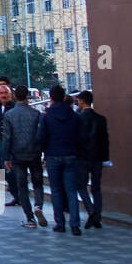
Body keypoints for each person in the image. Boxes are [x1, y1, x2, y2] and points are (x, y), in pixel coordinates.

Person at [37, 85, 86, 234]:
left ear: (50, 98)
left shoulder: (46, 116)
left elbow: (41, 137)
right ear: (64, 97)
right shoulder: (74, 116)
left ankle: (60, 223)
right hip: (71, 155)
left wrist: (44, 153)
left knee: (56, 191)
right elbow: (82, 137)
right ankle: (75, 224)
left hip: (52, 156)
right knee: (71, 191)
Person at [3, 85, 46, 228]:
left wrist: (6, 157)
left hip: (17, 155)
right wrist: (42, 152)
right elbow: (41, 135)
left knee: (22, 187)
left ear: (15, 96)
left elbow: (7, 137)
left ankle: (30, 219)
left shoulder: (9, 115)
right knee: (38, 182)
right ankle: (38, 205)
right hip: (34, 153)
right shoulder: (36, 114)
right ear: (28, 96)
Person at [75, 90, 109, 229]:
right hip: (97, 158)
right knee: (96, 188)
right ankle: (97, 217)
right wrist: (105, 158)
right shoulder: (101, 119)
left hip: (82, 158)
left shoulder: (78, 119)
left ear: (82, 101)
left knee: (81, 186)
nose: (77, 102)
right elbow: (105, 140)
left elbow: (76, 139)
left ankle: (91, 210)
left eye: (78, 100)